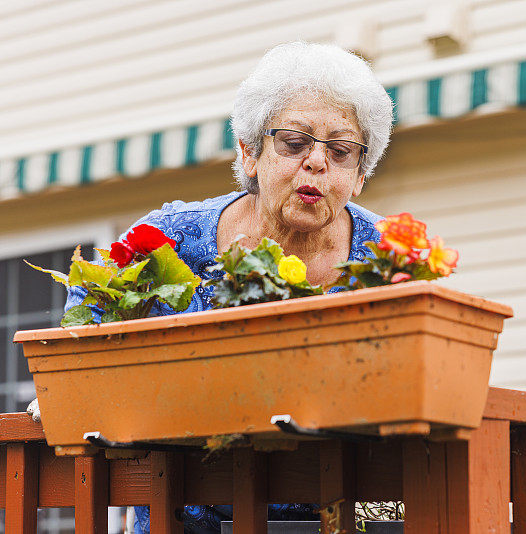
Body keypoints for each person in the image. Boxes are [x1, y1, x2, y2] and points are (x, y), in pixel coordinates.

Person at [29, 41, 394, 533]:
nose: (316, 163)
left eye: (341, 150)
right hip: (183, 511)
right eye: (293, 143)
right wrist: (77, 388)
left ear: (360, 175)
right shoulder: (171, 238)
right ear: (249, 153)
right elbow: (89, 315)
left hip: (340, 512)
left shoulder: (391, 257)